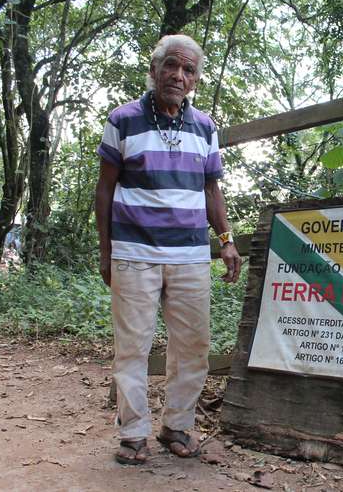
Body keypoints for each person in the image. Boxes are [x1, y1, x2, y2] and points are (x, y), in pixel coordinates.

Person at [95, 34, 242, 465]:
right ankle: (133, 434)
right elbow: (104, 190)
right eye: (171, 66)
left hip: (191, 256)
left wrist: (227, 240)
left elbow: (211, 188)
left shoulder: (205, 127)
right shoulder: (123, 120)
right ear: (155, 69)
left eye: (189, 70)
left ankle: (176, 426)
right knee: (133, 346)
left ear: (195, 79)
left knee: (193, 345)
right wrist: (106, 251)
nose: (179, 75)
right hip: (133, 252)